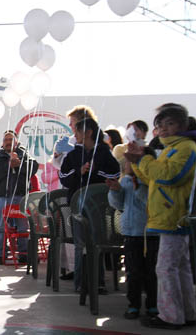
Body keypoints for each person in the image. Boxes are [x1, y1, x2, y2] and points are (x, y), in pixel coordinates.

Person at [126, 103, 196, 330]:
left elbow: (169, 176)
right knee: (180, 268)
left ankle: (170, 316)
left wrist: (142, 161)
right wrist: (137, 165)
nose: (164, 129)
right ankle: (186, 312)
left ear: (183, 125)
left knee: (165, 269)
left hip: (173, 217)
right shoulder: (171, 148)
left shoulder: (186, 148)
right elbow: (154, 178)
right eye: (160, 125)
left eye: (170, 124)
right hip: (168, 216)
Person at [59, 117, 120, 293]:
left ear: (89, 132)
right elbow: (64, 176)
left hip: (99, 207)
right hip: (78, 205)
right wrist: (79, 172)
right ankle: (81, 283)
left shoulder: (104, 152)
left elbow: (115, 172)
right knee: (80, 244)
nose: (75, 135)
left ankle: (98, 282)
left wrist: (95, 172)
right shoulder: (73, 154)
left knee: (97, 242)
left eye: (77, 131)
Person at [107, 157, 158, 320]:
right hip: (130, 234)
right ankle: (133, 305)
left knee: (152, 271)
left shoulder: (150, 181)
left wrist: (138, 186)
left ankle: (153, 304)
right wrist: (115, 190)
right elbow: (119, 205)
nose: (126, 164)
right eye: (127, 162)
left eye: (131, 161)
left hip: (151, 234)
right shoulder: (126, 181)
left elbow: (149, 202)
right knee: (133, 271)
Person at [0, 130, 38, 265]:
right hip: (3, 197)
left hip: (21, 197)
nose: (8, 142)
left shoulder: (24, 154)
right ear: (2, 143)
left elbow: (34, 167)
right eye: (6, 140)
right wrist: (8, 165)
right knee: (1, 228)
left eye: (11, 140)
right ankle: (1, 254)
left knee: (22, 227)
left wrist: (19, 164)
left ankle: (24, 254)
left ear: (17, 141)